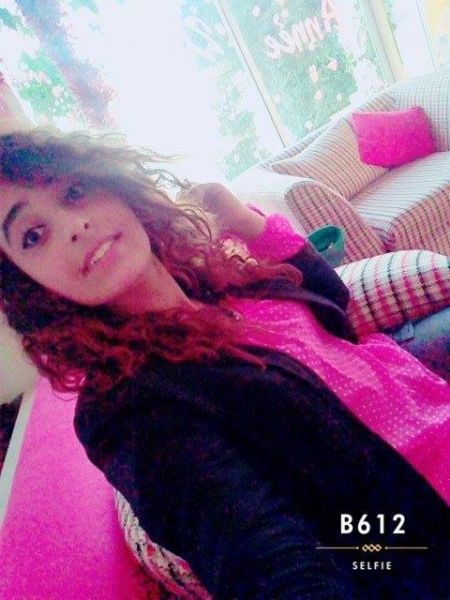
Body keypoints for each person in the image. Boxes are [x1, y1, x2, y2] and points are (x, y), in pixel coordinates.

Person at [0, 129, 448, 600]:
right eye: (34, 235)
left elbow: (331, 303)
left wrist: (245, 222)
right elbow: (265, 557)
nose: (74, 227)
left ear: (114, 185)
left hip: (415, 382)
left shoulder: (202, 279)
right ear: (28, 282)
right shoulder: (131, 411)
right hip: (422, 498)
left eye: (74, 192)